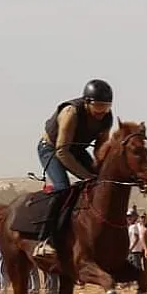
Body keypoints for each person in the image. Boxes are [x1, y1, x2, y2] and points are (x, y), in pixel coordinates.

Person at [33, 79, 114, 258]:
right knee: (62, 188)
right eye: (98, 107)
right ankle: (45, 240)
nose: (102, 112)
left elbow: (100, 150)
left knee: (101, 184)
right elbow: (62, 151)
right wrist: (86, 175)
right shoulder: (71, 112)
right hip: (52, 148)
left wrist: (102, 172)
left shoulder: (107, 117)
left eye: (106, 107)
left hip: (76, 149)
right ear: (87, 103)